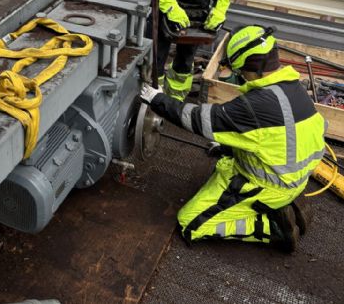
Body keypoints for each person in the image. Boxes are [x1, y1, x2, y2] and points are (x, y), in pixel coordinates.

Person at [140, 25, 326, 252]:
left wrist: (158, 100)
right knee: (223, 163)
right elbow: (269, 136)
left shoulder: (256, 105)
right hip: (291, 172)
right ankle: (283, 200)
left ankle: (272, 227)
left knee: (190, 223)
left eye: (240, 70)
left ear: (251, 66)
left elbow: (200, 120)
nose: (240, 76)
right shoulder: (290, 86)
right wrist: (228, 145)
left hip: (270, 185)